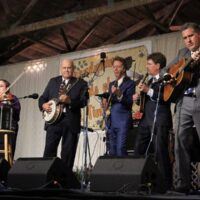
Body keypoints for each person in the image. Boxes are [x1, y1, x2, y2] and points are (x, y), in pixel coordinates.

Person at [165, 22, 200, 193]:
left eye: (191, 36)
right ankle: (182, 184)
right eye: (185, 38)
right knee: (180, 142)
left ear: (199, 34)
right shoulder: (182, 53)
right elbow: (167, 69)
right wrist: (169, 76)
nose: (188, 40)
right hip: (184, 101)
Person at [38, 58, 88, 170]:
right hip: (54, 122)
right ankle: (47, 178)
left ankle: (64, 181)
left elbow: (83, 102)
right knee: (49, 151)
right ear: (61, 69)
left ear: (73, 69)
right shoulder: (53, 81)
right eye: (64, 68)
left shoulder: (81, 83)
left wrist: (70, 101)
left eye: (69, 68)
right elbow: (42, 98)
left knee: (68, 154)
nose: (66, 70)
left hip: (70, 122)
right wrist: (43, 105)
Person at [132, 52, 173, 190]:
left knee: (160, 153)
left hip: (160, 121)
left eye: (149, 64)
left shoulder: (166, 79)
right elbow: (143, 102)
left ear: (158, 65)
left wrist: (148, 90)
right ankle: (138, 182)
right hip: (145, 122)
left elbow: (166, 98)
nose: (147, 66)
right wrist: (137, 98)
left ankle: (166, 185)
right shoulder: (148, 81)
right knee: (138, 150)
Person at [103, 56, 135, 156]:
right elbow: (109, 102)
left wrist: (119, 94)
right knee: (112, 149)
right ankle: (114, 171)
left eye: (118, 67)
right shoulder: (112, 84)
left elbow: (129, 102)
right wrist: (105, 103)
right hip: (112, 120)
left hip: (123, 120)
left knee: (121, 148)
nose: (115, 69)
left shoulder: (130, 83)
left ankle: (124, 171)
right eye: (114, 67)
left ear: (124, 68)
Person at [0, 79, 21, 159]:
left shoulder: (12, 98)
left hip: (8, 129)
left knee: (7, 155)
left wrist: (7, 102)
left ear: (7, 88)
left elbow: (16, 115)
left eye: (1, 86)